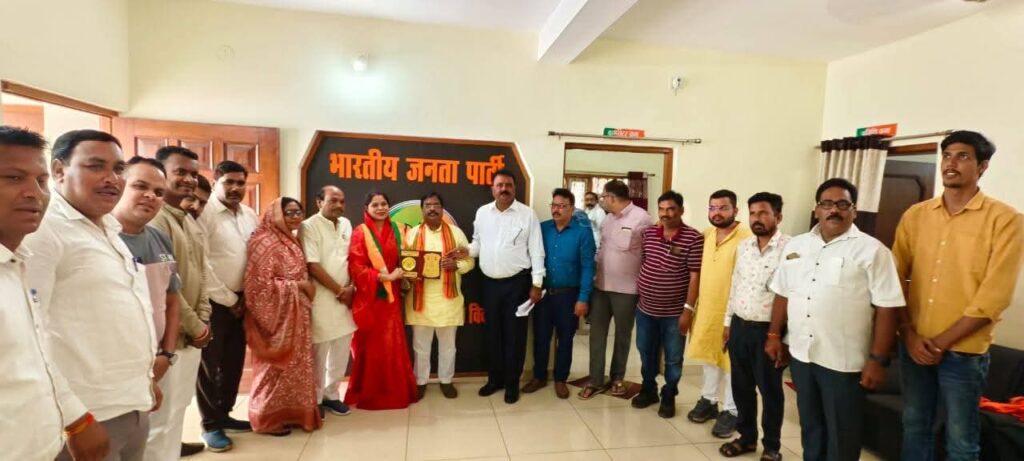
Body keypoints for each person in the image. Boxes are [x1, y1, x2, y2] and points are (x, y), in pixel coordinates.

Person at [24, 129, 161, 461]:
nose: (112, 178)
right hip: (86, 416)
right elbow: (30, 333)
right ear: (59, 170)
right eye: (95, 166)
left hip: (130, 402)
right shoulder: (43, 231)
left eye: (118, 169)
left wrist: (144, 380)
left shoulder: (107, 228)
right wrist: (75, 419)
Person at [893, 131, 1023, 461]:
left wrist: (940, 343)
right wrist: (908, 333)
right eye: (947, 155)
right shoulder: (916, 215)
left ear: (982, 166)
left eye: (962, 156)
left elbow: (994, 297)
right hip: (914, 344)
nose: (951, 163)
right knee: (915, 426)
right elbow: (893, 279)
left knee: (961, 439)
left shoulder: (1006, 220)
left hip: (964, 353)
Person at [766, 178, 904, 461]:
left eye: (842, 204)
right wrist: (774, 335)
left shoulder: (872, 251)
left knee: (843, 432)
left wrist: (878, 360)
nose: (834, 210)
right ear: (817, 209)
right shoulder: (797, 245)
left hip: (843, 362)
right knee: (811, 426)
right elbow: (783, 292)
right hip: (802, 355)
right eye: (827, 204)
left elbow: (888, 308)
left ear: (854, 210)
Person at [0, 126, 110, 461]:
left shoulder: (15, 263)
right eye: (13, 178)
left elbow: (36, 355)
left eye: (40, 181)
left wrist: (76, 419)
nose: (34, 193)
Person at [112, 155, 200, 461]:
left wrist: (167, 353)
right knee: (144, 432)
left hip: (162, 354)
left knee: (168, 420)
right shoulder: (104, 239)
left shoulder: (158, 237)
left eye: (158, 192)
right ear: (119, 185)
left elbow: (171, 297)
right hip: (119, 364)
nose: (150, 196)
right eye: (140, 186)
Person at [145, 146, 216, 459]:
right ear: (161, 174)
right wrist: (196, 324)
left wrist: (204, 317)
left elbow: (200, 274)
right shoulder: (156, 221)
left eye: (193, 174)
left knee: (177, 410)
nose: (189, 179)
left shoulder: (186, 219)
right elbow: (165, 287)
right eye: (180, 172)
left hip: (191, 335)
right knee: (159, 421)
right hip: (171, 337)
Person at [718, 192, 791, 460]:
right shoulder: (744, 247)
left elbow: (792, 295)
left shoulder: (792, 249)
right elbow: (735, 285)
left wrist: (782, 338)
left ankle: (771, 447)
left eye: (763, 213)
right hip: (740, 327)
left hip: (769, 332)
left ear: (778, 216)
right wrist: (728, 323)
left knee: (770, 391)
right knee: (741, 387)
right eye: (752, 213)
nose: (756, 218)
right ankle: (746, 438)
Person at [465, 169, 545, 404]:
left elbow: (537, 250)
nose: (504, 189)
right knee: (492, 335)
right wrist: (466, 251)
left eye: (508, 185)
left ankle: (511, 384)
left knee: (514, 337)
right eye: (499, 185)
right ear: (492, 189)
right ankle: (494, 380)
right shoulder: (482, 213)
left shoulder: (527, 214)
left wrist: (537, 283)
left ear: (514, 188)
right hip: (489, 284)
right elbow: (477, 244)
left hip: (517, 285)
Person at [244, 197, 322, 434]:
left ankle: (295, 414)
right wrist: (298, 286)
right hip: (276, 318)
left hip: (298, 314)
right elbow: (258, 286)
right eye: (289, 212)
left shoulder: (291, 239)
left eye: (299, 212)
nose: (295, 217)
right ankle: (266, 418)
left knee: (297, 367)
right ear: (276, 214)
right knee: (273, 368)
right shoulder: (263, 241)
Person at [197, 160, 258, 450]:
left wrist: (246, 296)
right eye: (228, 182)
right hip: (214, 302)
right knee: (210, 365)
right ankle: (210, 425)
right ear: (215, 183)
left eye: (240, 183)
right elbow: (201, 264)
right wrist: (229, 299)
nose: (235, 188)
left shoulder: (249, 214)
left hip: (243, 301)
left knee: (234, 362)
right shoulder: (204, 213)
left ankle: (225, 414)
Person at [631, 191, 703, 419]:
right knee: (645, 351)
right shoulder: (648, 233)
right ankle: (649, 389)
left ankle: (669, 394)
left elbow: (695, 276)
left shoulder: (694, 238)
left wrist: (688, 311)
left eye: (671, 209)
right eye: (661, 209)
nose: (665, 214)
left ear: (681, 211)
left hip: (674, 313)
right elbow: (644, 262)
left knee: (673, 358)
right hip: (645, 309)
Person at [686, 190, 752, 437]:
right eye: (712, 208)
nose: (717, 213)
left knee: (732, 364)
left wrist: (733, 316)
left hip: (733, 311)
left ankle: (732, 411)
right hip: (707, 309)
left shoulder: (747, 238)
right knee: (709, 357)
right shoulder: (707, 234)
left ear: (735, 210)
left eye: (723, 208)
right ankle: (709, 400)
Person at [345, 191, 419, 409]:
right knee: (371, 345)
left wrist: (408, 273)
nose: (380, 208)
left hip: (392, 296)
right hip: (369, 297)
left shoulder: (399, 229)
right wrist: (384, 277)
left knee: (392, 343)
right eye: (375, 205)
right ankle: (370, 390)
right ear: (366, 208)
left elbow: (408, 259)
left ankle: (395, 390)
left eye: (384, 204)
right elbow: (356, 267)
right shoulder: (360, 232)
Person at [580, 180, 652, 399]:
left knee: (622, 335)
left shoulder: (642, 218)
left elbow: (649, 254)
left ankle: (617, 378)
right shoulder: (608, 219)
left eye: (603, 197)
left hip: (627, 290)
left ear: (611, 197)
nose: (602, 201)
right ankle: (595, 380)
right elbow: (602, 248)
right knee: (597, 334)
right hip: (601, 286)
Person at [522, 188, 595, 399]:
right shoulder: (542, 228)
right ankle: (539, 376)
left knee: (565, 339)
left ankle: (561, 379)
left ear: (572, 208)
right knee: (540, 337)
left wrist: (583, 298)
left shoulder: (582, 232)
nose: (556, 210)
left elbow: (588, 267)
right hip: (543, 295)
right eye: (554, 205)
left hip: (568, 295)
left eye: (562, 206)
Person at [404, 192, 475, 400]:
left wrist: (457, 265)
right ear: (422, 209)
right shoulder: (412, 234)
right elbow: (405, 263)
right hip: (420, 300)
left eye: (436, 205)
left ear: (442, 209)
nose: (432, 208)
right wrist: (410, 275)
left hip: (448, 300)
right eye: (428, 205)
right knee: (420, 347)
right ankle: (421, 381)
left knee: (448, 347)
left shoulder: (456, 233)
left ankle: (446, 381)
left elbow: (470, 262)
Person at [301, 185, 357, 415]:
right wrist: (339, 291)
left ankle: (331, 395)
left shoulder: (346, 224)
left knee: (341, 349)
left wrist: (351, 288)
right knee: (319, 351)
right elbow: (312, 265)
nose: (338, 205)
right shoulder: (308, 226)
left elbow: (352, 258)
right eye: (333, 200)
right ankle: (314, 400)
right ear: (319, 202)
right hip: (322, 299)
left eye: (341, 201)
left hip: (345, 300)